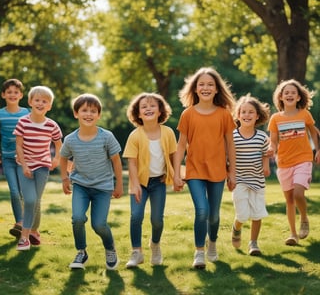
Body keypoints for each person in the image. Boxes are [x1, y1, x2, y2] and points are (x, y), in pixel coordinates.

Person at [173, 67, 236, 269]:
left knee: (214, 215)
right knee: (202, 210)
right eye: (202, 84)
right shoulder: (188, 114)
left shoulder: (224, 115)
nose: (206, 87)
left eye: (210, 84)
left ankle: (213, 244)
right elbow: (181, 145)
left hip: (218, 171)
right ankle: (199, 252)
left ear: (217, 89)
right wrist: (176, 173)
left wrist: (232, 172)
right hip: (194, 171)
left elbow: (230, 145)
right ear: (195, 89)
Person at [60, 94, 123, 270]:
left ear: (99, 115)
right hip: (80, 185)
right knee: (78, 218)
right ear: (76, 113)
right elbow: (63, 157)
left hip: (103, 187)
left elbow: (116, 161)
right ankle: (81, 251)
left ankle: (110, 248)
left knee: (99, 224)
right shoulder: (70, 139)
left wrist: (119, 184)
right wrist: (65, 178)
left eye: (93, 111)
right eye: (84, 110)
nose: (88, 114)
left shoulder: (106, 136)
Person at [123, 93, 177, 268]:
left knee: (157, 219)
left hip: (158, 182)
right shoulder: (135, 135)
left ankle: (155, 245)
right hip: (140, 184)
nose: (148, 108)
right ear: (138, 114)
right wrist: (135, 184)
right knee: (136, 216)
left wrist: (176, 175)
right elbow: (131, 162)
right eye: (144, 107)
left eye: (152, 105)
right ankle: (136, 252)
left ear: (160, 110)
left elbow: (174, 155)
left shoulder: (168, 132)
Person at [267, 79, 320, 246]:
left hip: (303, 158)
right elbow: (273, 140)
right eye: (286, 93)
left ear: (298, 97)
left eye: (293, 93)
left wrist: (318, 150)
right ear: (281, 97)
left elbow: (313, 133)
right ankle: (293, 234)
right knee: (289, 200)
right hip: (283, 162)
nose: (289, 95)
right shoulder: (275, 118)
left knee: (298, 194)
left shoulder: (304, 114)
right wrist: (271, 148)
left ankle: (304, 218)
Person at [14, 85, 62, 251]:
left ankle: (34, 231)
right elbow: (18, 146)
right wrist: (25, 165)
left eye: (45, 101)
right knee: (30, 200)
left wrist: (56, 158)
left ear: (49, 106)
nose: (41, 104)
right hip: (24, 165)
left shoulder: (52, 125)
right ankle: (24, 237)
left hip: (42, 166)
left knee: (36, 201)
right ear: (30, 102)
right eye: (37, 100)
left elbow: (58, 143)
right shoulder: (23, 122)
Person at [231, 94, 270, 256]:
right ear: (238, 115)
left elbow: (265, 153)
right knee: (243, 214)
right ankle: (236, 227)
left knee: (257, 213)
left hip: (257, 180)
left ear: (257, 116)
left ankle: (253, 243)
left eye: (251, 112)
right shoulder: (232, 136)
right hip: (239, 180)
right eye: (243, 112)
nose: (247, 115)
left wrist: (266, 166)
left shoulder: (262, 137)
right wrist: (229, 175)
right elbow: (228, 157)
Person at [0, 79, 30, 238]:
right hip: (7, 158)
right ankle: (19, 222)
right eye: (9, 92)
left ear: (21, 95)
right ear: (3, 95)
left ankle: (27, 224)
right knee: (14, 191)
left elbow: (32, 133)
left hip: (24, 159)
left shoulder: (26, 113)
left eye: (16, 92)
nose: (12, 95)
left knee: (23, 191)